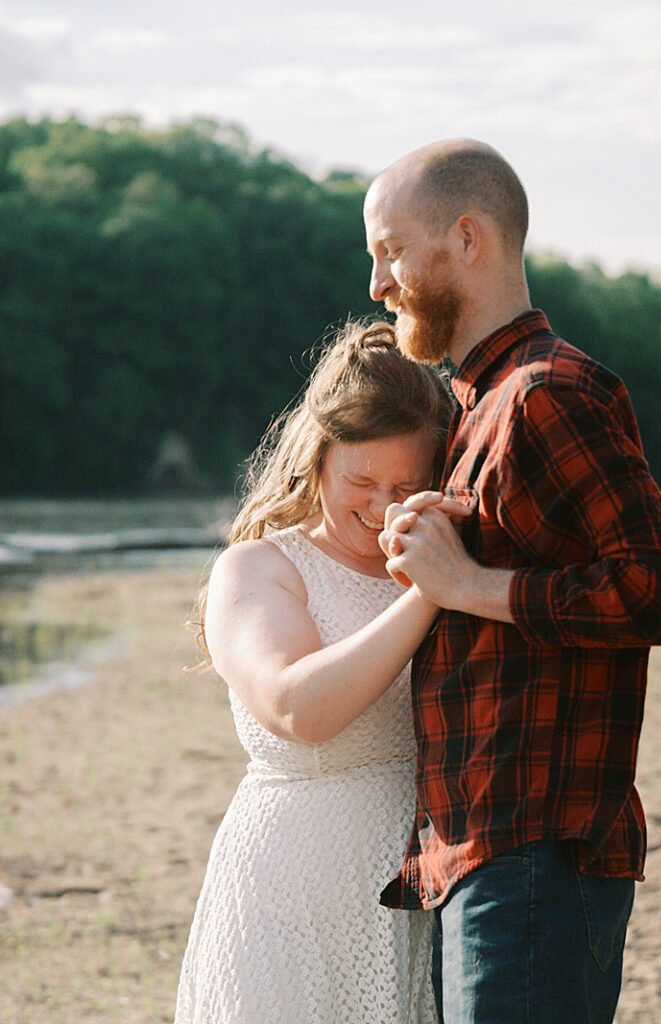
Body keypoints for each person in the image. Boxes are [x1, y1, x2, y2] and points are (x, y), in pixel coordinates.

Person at [363, 140, 661, 1024]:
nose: (377, 283)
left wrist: (469, 584)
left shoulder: (546, 393)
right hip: (483, 856)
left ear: (467, 239)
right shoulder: (477, 405)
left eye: (390, 250)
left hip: (533, 859)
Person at [174, 320, 465, 1024]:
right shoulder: (260, 567)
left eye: (408, 483)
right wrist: (432, 590)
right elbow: (299, 708)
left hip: (417, 901)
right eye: (361, 480)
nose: (382, 505)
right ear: (318, 458)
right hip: (287, 896)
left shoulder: (449, 558)